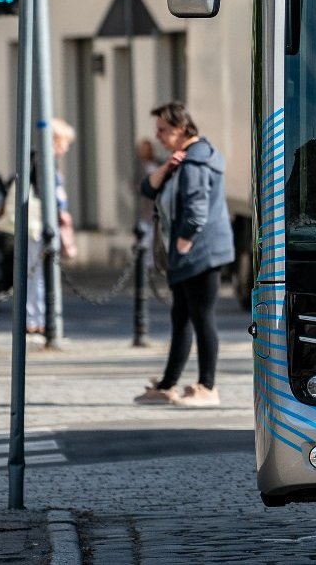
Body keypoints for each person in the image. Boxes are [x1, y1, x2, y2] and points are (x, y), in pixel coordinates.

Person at [134, 102, 231, 408]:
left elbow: (196, 208)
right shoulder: (184, 160)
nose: (158, 136)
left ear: (181, 128)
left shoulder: (196, 162)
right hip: (192, 254)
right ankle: (167, 385)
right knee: (182, 318)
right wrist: (167, 166)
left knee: (202, 317)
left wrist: (183, 243)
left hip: (201, 253)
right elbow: (147, 190)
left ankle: (208, 387)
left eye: (163, 130)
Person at [26, 121, 78, 336]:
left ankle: (41, 318)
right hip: (39, 224)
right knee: (37, 272)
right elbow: (43, 192)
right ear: (56, 141)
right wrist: (59, 210)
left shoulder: (47, 161)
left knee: (40, 272)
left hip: (45, 223)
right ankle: (36, 319)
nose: (67, 148)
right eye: (66, 143)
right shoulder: (42, 161)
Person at [134, 138, 162, 272]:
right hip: (146, 205)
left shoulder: (156, 163)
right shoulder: (139, 166)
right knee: (145, 237)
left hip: (155, 205)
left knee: (153, 236)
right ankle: (145, 265)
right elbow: (135, 184)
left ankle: (151, 264)